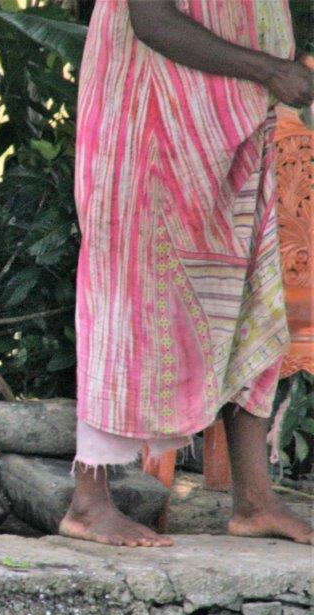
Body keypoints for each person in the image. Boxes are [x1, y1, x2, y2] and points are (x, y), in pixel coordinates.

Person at [62, 0, 314, 547]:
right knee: (126, 297)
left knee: (250, 298)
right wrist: (270, 69)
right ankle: (88, 505)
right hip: (148, 120)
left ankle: (254, 502)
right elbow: (152, 20)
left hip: (240, 121)